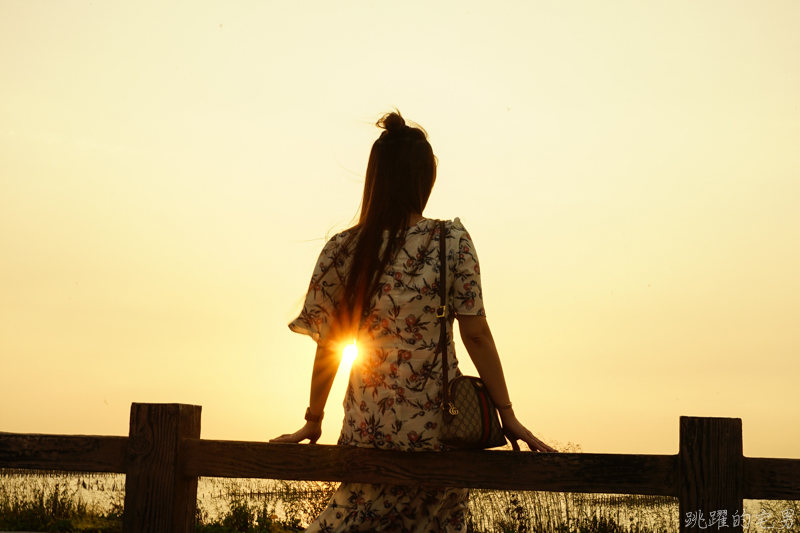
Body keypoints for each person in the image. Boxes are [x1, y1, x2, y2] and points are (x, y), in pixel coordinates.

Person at [271, 111, 557, 532]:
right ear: (424, 180)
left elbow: (330, 345)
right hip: (439, 430)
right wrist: (507, 414)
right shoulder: (449, 241)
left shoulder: (343, 249)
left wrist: (314, 418)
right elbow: (475, 332)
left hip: (370, 429)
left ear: (375, 179)